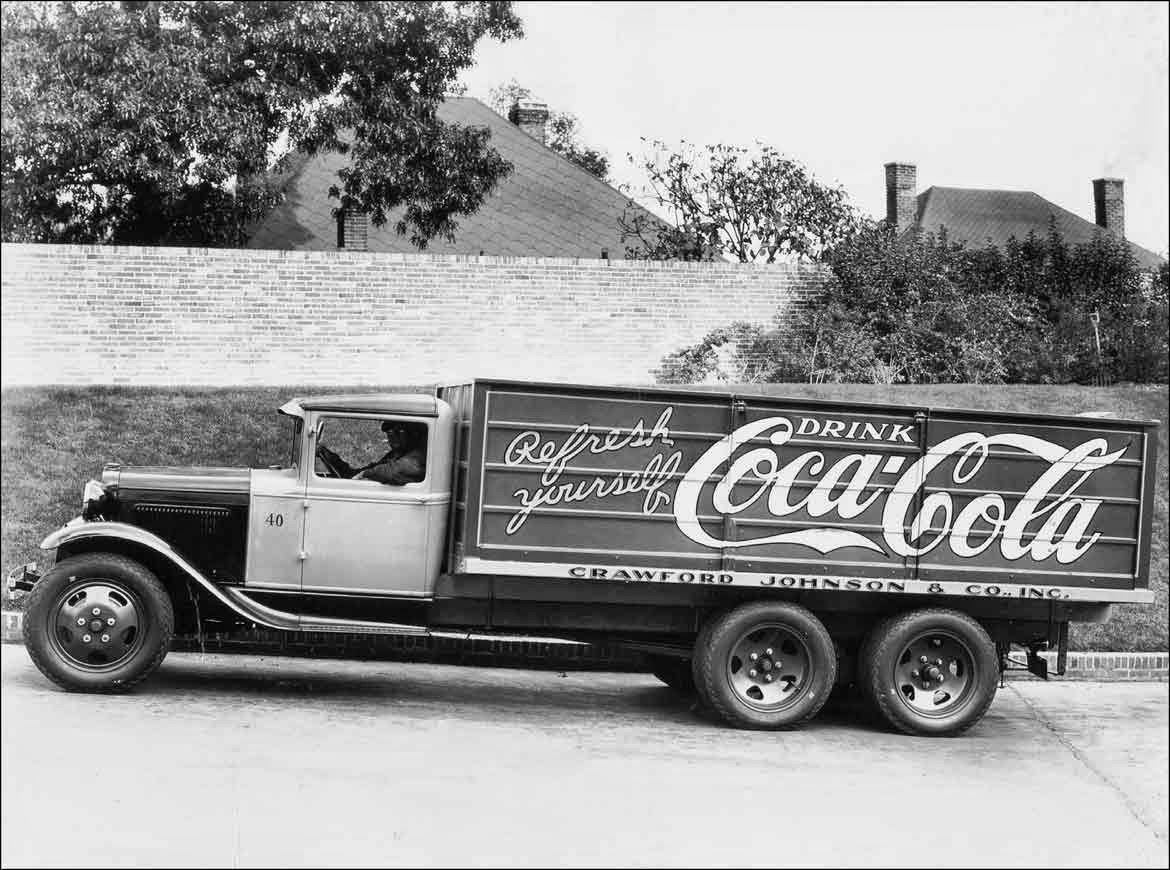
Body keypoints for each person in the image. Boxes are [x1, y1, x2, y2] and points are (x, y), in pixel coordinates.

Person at [316, 420, 426, 485]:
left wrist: (365, 474)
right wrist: (326, 453)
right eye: (389, 432)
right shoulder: (397, 454)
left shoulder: (418, 456)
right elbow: (356, 473)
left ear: (412, 434)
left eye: (399, 431)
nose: (392, 436)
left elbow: (395, 471)